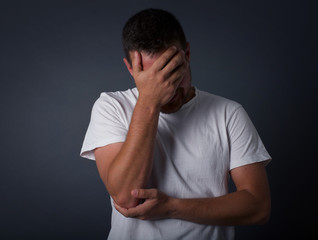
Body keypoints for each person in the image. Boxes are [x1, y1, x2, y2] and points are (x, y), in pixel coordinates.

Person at [80, 8, 272, 240]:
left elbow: (258, 207)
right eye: (153, 78)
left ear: (187, 54)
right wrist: (149, 102)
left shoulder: (228, 113)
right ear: (130, 68)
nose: (167, 90)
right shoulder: (111, 106)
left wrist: (172, 206)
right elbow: (125, 197)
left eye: (172, 73)